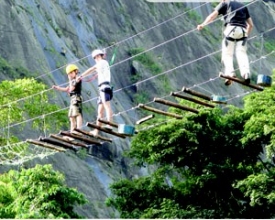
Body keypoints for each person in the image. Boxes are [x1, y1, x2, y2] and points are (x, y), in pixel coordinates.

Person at [197, 0, 254, 86]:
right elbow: (251, 25)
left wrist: (203, 24)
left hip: (231, 29)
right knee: (241, 54)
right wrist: (246, 36)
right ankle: (246, 73)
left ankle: (230, 74)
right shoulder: (243, 6)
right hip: (242, 31)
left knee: (227, 54)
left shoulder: (225, 3)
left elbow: (212, 16)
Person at [79, 49, 113, 136]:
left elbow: (92, 69)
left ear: (98, 56)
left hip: (104, 87)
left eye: (95, 57)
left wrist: (81, 76)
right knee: (100, 112)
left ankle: (109, 124)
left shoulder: (102, 62)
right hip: (103, 88)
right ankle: (96, 131)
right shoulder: (102, 64)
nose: (95, 59)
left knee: (106, 106)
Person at [52, 64, 83, 133]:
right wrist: (58, 88)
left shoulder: (77, 80)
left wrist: (70, 80)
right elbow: (67, 89)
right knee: (71, 117)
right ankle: (72, 132)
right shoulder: (72, 81)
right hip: (72, 99)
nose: (70, 75)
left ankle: (79, 130)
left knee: (77, 114)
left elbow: (72, 88)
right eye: (69, 74)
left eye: (71, 73)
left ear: (76, 72)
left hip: (76, 98)